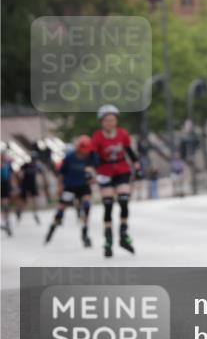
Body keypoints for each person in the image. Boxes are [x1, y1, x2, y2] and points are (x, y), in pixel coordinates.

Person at [90, 104, 143, 257]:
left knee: (124, 200)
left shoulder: (123, 134)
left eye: (112, 120)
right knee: (108, 205)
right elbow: (92, 156)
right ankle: (108, 238)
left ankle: (123, 233)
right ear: (102, 122)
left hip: (121, 169)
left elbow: (130, 152)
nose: (110, 123)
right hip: (105, 170)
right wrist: (90, 168)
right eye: (106, 120)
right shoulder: (98, 136)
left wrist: (137, 167)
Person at [46, 136, 95, 247]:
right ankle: (53, 226)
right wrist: (60, 187)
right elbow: (62, 173)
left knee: (86, 206)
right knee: (61, 209)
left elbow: (93, 171)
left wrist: (92, 176)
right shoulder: (69, 157)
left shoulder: (89, 157)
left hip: (83, 186)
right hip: (70, 186)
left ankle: (85, 233)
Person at [15, 152, 45, 224]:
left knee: (34, 199)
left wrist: (42, 184)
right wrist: (19, 180)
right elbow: (19, 172)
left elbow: (41, 174)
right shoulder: (26, 165)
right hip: (25, 184)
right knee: (23, 200)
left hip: (32, 185)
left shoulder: (37, 166)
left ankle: (35, 213)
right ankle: (19, 210)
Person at [1, 152, 15, 236]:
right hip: (2, 184)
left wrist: (12, 185)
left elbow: (11, 175)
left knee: (6, 203)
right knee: (3, 203)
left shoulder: (8, 165)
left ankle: (6, 220)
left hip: (6, 185)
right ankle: (4, 220)